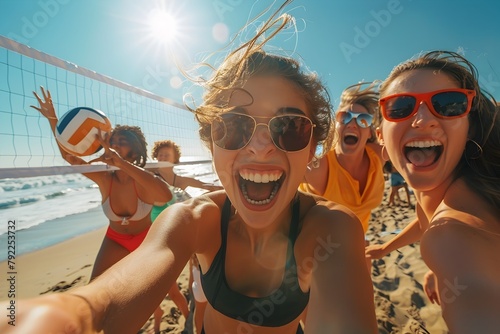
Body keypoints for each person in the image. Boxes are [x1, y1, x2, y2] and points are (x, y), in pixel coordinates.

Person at [2, 5, 377, 334]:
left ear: (313, 147)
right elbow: (101, 303)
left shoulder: (332, 229)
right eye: (234, 126)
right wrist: (64, 315)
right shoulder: (196, 219)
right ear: (210, 142)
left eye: (290, 126)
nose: (260, 145)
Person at [374, 50, 500, 333]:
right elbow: (423, 219)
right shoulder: (439, 196)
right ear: (380, 134)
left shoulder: (450, 234)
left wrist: (444, 264)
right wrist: (386, 247)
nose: (422, 120)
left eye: (449, 104)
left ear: (470, 127)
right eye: (399, 107)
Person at [30, 87, 172, 332]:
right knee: (93, 296)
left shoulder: (143, 179)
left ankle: (162, 314)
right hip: (115, 240)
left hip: (144, 243)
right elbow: (72, 159)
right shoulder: (104, 178)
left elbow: (165, 194)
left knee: (144, 300)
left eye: (121, 142)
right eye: (111, 141)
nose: (113, 145)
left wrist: (121, 163)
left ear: (134, 151)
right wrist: (54, 121)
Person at [150, 139, 221, 333]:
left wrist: (226, 188)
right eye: (160, 155)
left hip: (186, 231)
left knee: (194, 269)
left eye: (167, 155)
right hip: (161, 236)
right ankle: (161, 317)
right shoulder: (149, 178)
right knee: (162, 283)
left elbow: (205, 185)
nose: (162, 157)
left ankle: (193, 296)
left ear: (175, 159)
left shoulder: (181, 181)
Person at [300, 82, 385, 236]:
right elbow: (281, 174)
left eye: (363, 119)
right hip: (319, 247)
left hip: (358, 240)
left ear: (370, 133)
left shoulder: (378, 155)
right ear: (335, 126)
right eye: (344, 117)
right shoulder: (320, 167)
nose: (352, 124)